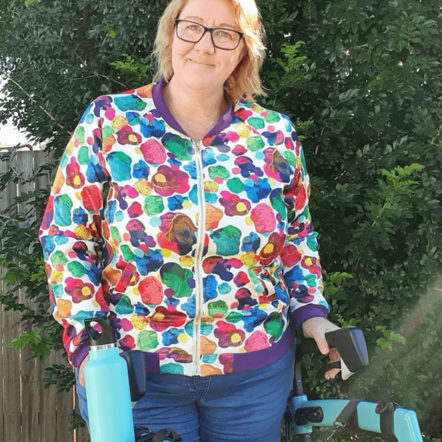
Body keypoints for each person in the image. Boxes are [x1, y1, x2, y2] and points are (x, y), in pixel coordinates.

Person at [38, 0, 341, 440]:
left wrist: (313, 313)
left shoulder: (274, 135)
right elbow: (66, 233)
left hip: (253, 375)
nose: (204, 44)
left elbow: (295, 235)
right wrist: (89, 346)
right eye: (192, 26)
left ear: (243, 51)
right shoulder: (111, 121)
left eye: (225, 33)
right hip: (136, 373)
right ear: (170, 33)